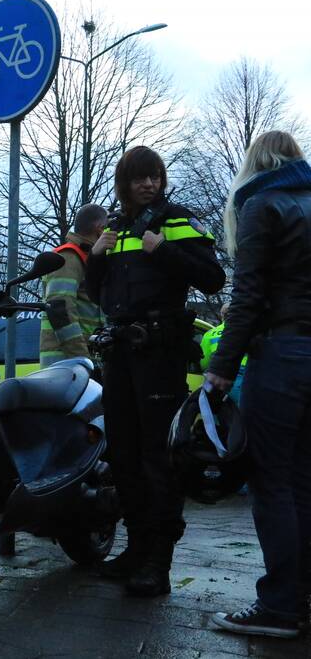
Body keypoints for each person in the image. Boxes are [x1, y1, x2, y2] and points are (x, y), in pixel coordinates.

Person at [85, 146, 225, 596]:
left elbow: (213, 278)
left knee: (157, 457)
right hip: (122, 352)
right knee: (122, 455)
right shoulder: (116, 228)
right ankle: (135, 548)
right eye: (140, 178)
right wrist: (97, 259)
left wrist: (164, 251)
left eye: (155, 177)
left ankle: (158, 562)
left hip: (160, 351)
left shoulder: (178, 219)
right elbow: (97, 296)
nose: (149, 184)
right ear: (124, 183)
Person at [205, 130, 311, 639]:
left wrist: (222, 366)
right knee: (305, 482)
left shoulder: (261, 205)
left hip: (282, 356)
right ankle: (301, 595)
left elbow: (248, 296)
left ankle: (280, 606)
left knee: (272, 482)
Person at [39, 204, 107, 368]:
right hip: (66, 364)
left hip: (77, 362)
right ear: (100, 229)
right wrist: (83, 359)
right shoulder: (68, 258)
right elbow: (59, 308)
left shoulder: (85, 258)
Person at [199, 303, 245, 405]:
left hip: (217, 378)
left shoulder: (210, 334)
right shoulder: (246, 331)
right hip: (244, 377)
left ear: (222, 315)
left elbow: (203, 363)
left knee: (216, 415)